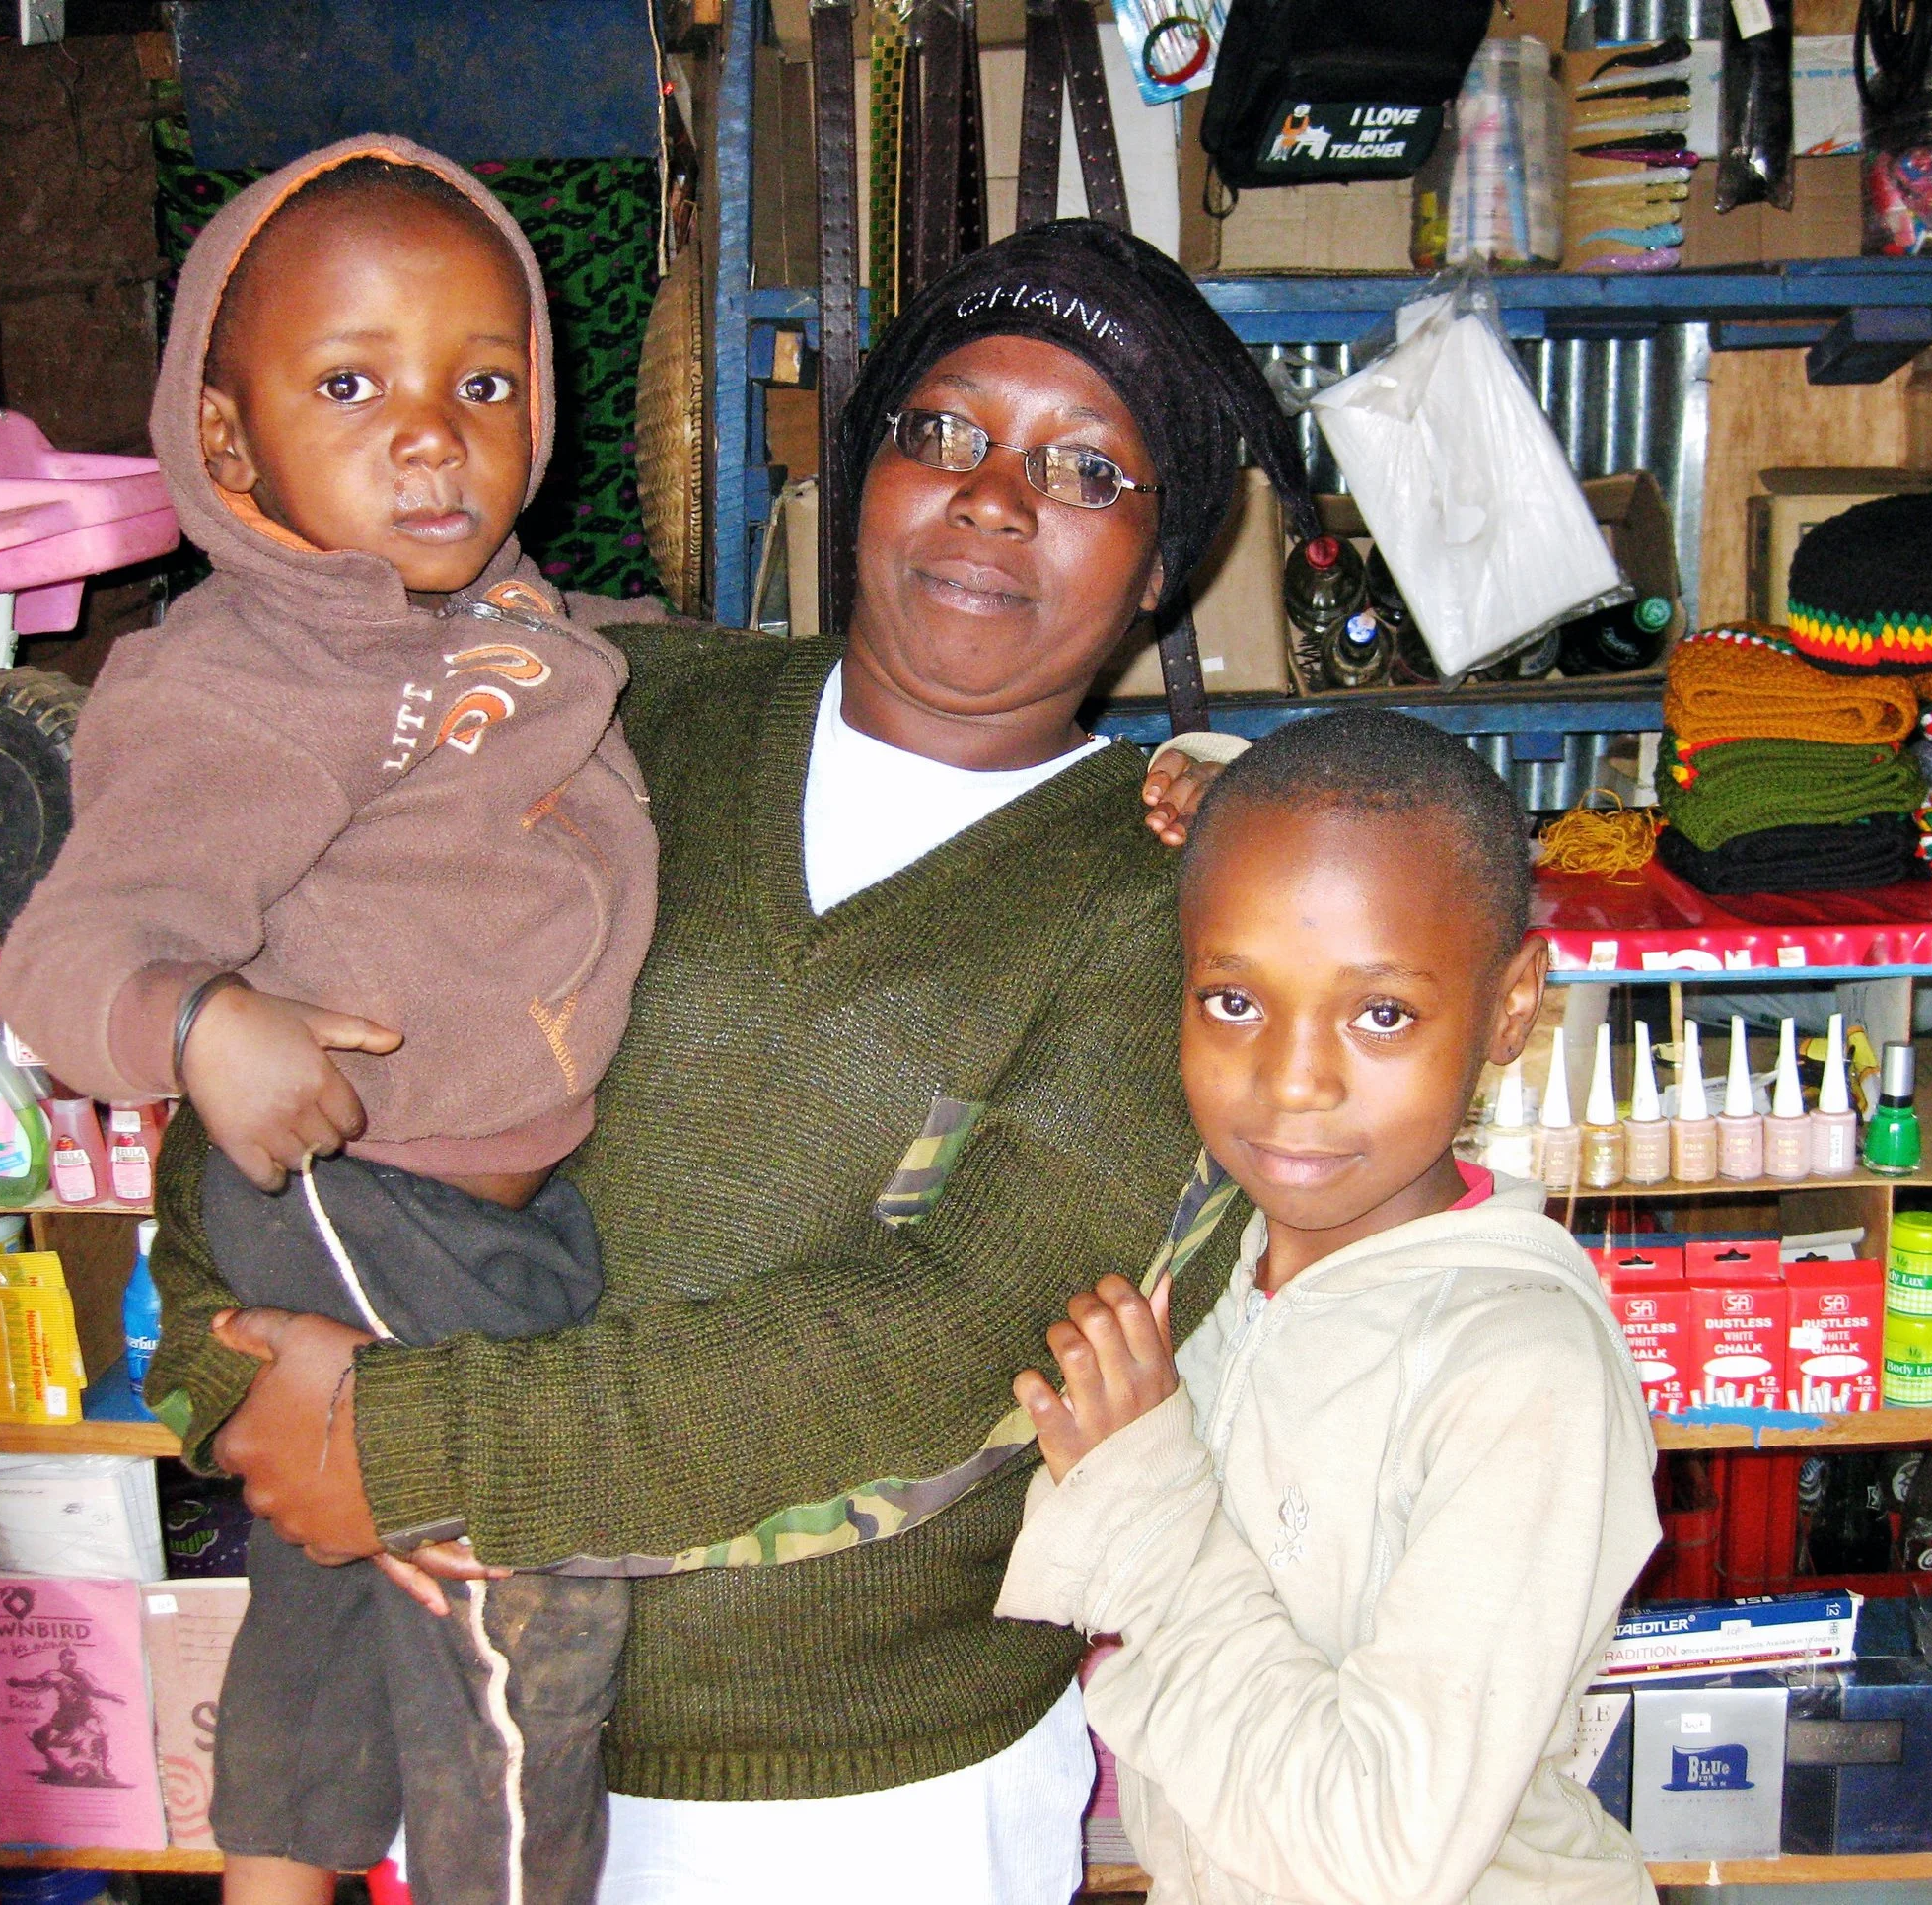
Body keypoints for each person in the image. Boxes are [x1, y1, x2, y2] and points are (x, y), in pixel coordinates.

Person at [137, 218, 1317, 1905]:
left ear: (1158, 570)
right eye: (942, 431)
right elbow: (281, 1017)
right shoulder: (608, 707)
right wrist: (236, 1373)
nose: (993, 497)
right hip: (455, 1729)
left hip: (862, 1801)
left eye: (1086, 471)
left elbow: (958, 1334)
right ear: (864, 477)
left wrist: (411, 1446)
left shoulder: (1175, 902)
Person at [0, 137, 659, 1905]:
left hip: (463, 1196)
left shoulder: (497, 613)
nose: (431, 435)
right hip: (373, 1185)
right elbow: (64, 958)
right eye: (352, 385)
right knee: (518, 1589)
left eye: (483, 382)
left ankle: (274, 1880)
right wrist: (200, 1019)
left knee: (337, 1584)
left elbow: (599, 678)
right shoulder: (243, 680)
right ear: (229, 445)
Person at [998, 709, 1662, 1905]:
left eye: (1382, 1015)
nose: (1293, 1081)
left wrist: (1144, 1505)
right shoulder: (1215, 1256)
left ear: (1512, 1005)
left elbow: (1375, 1858)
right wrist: (1223, 789)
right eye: (1232, 1003)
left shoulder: (1520, 1368)